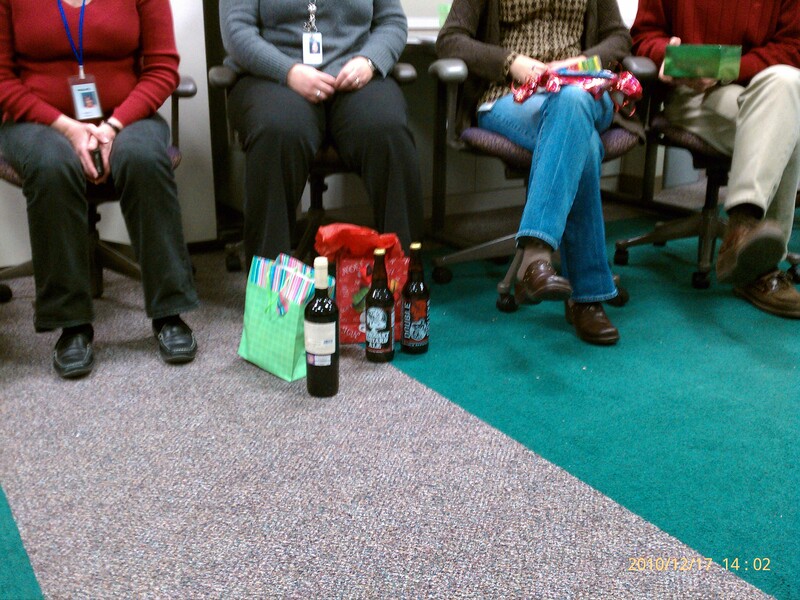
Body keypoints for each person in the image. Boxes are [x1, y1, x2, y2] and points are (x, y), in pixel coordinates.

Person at [0, 0, 200, 378]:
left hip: (126, 117)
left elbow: (162, 68)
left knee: (144, 158)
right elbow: (2, 78)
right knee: (51, 164)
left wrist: (113, 127)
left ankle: (169, 312)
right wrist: (67, 127)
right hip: (37, 122)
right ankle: (71, 324)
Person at [436, 0, 642, 345]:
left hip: (584, 89)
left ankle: (535, 254)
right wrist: (510, 62)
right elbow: (450, 39)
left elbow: (619, 37)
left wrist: (581, 62)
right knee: (586, 146)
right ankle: (587, 298)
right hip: (511, 95)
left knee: (572, 102)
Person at [219, 0, 423, 263]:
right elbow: (236, 32)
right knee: (278, 132)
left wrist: (369, 61)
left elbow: (392, 22)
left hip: (353, 77)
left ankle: (404, 274)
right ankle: (269, 282)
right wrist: (288, 71)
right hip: (273, 79)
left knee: (388, 130)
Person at [631, 0, 800, 318]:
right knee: (788, 121)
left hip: (760, 87)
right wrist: (667, 54)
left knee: (790, 88)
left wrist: (725, 68)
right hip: (692, 94)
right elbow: (643, 35)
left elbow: (793, 48)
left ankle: (744, 227)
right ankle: (760, 269)